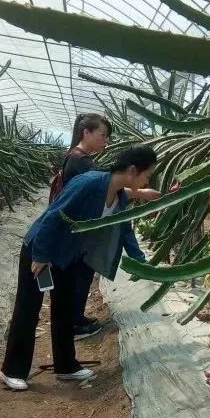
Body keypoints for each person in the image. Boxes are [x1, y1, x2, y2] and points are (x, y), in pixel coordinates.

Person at [0, 144, 159, 391]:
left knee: (65, 309)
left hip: (68, 255)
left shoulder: (119, 196)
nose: (147, 180)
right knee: (28, 308)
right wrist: (41, 255)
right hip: (42, 249)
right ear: (132, 170)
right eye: (147, 174)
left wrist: (141, 263)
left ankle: (66, 366)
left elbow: (124, 228)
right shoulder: (89, 183)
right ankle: (12, 370)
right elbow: (53, 215)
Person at [58, 114, 160, 340]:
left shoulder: (80, 159)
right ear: (86, 133)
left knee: (82, 276)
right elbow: (105, 187)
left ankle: (76, 318)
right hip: (73, 234)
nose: (106, 141)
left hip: (80, 232)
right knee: (77, 277)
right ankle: (72, 324)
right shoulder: (82, 163)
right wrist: (141, 193)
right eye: (103, 135)